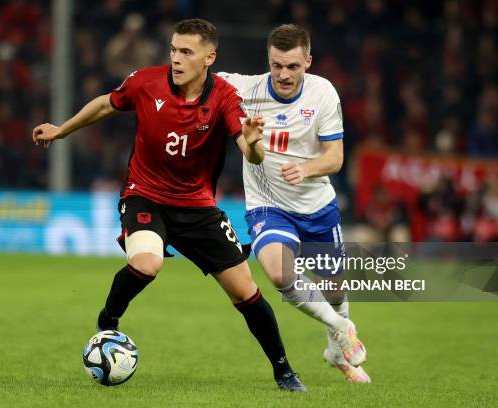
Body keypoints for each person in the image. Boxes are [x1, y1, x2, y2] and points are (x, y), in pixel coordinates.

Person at [32, 19, 310, 392]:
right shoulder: (145, 82)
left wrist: (254, 141)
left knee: (245, 291)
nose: (176, 59)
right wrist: (61, 129)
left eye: (186, 52)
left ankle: (284, 371)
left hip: (197, 207)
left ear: (209, 57)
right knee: (147, 262)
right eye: (174, 50)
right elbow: (106, 104)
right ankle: (108, 321)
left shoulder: (225, 97)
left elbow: (252, 154)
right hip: (144, 194)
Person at [219, 24, 370, 383]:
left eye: (293, 67)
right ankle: (340, 327)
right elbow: (197, 73)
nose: (284, 75)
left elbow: (335, 158)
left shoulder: (323, 93)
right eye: (277, 66)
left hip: (317, 205)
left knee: (335, 287)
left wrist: (306, 169)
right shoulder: (245, 89)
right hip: (267, 204)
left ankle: (336, 348)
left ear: (308, 62)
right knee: (278, 272)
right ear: (268, 61)